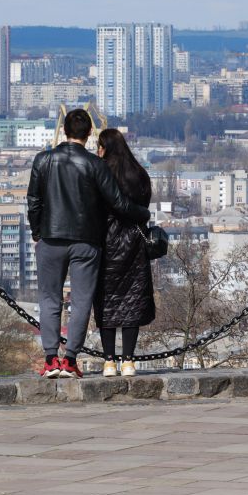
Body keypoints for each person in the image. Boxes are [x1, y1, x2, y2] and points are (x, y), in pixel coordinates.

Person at [27, 109, 150, 379]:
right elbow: (117, 202)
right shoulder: (96, 165)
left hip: (50, 237)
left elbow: (34, 201)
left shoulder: (43, 160)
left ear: (64, 131)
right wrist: (144, 214)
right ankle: (70, 360)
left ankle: (50, 359)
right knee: (81, 301)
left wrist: (38, 231)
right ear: (90, 133)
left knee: (49, 300)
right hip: (86, 241)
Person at [94, 128, 155, 378]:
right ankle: (128, 361)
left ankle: (109, 361)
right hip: (134, 245)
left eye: (99, 146)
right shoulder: (138, 173)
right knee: (132, 302)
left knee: (106, 303)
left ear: (106, 147)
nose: (97, 151)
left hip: (105, 244)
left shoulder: (99, 171)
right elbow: (144, 204)